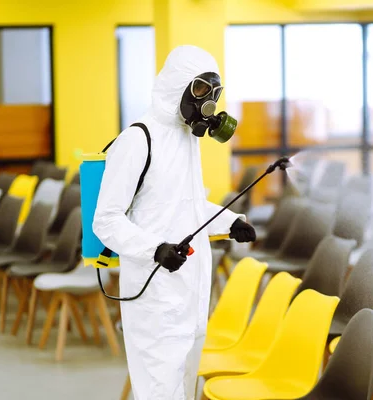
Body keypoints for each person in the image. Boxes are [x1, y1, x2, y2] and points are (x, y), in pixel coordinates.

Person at [93, 45, 256, 400]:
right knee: (158, 393)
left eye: (215, 92)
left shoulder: (186, 139)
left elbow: (186, 206)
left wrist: (229, 222)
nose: (208, 102)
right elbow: (105, 220)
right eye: (200, 90)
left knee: (185, 389)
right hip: (155, 298)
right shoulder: (138, 139)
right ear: (175, 86)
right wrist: (155, 250)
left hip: (192, 297)